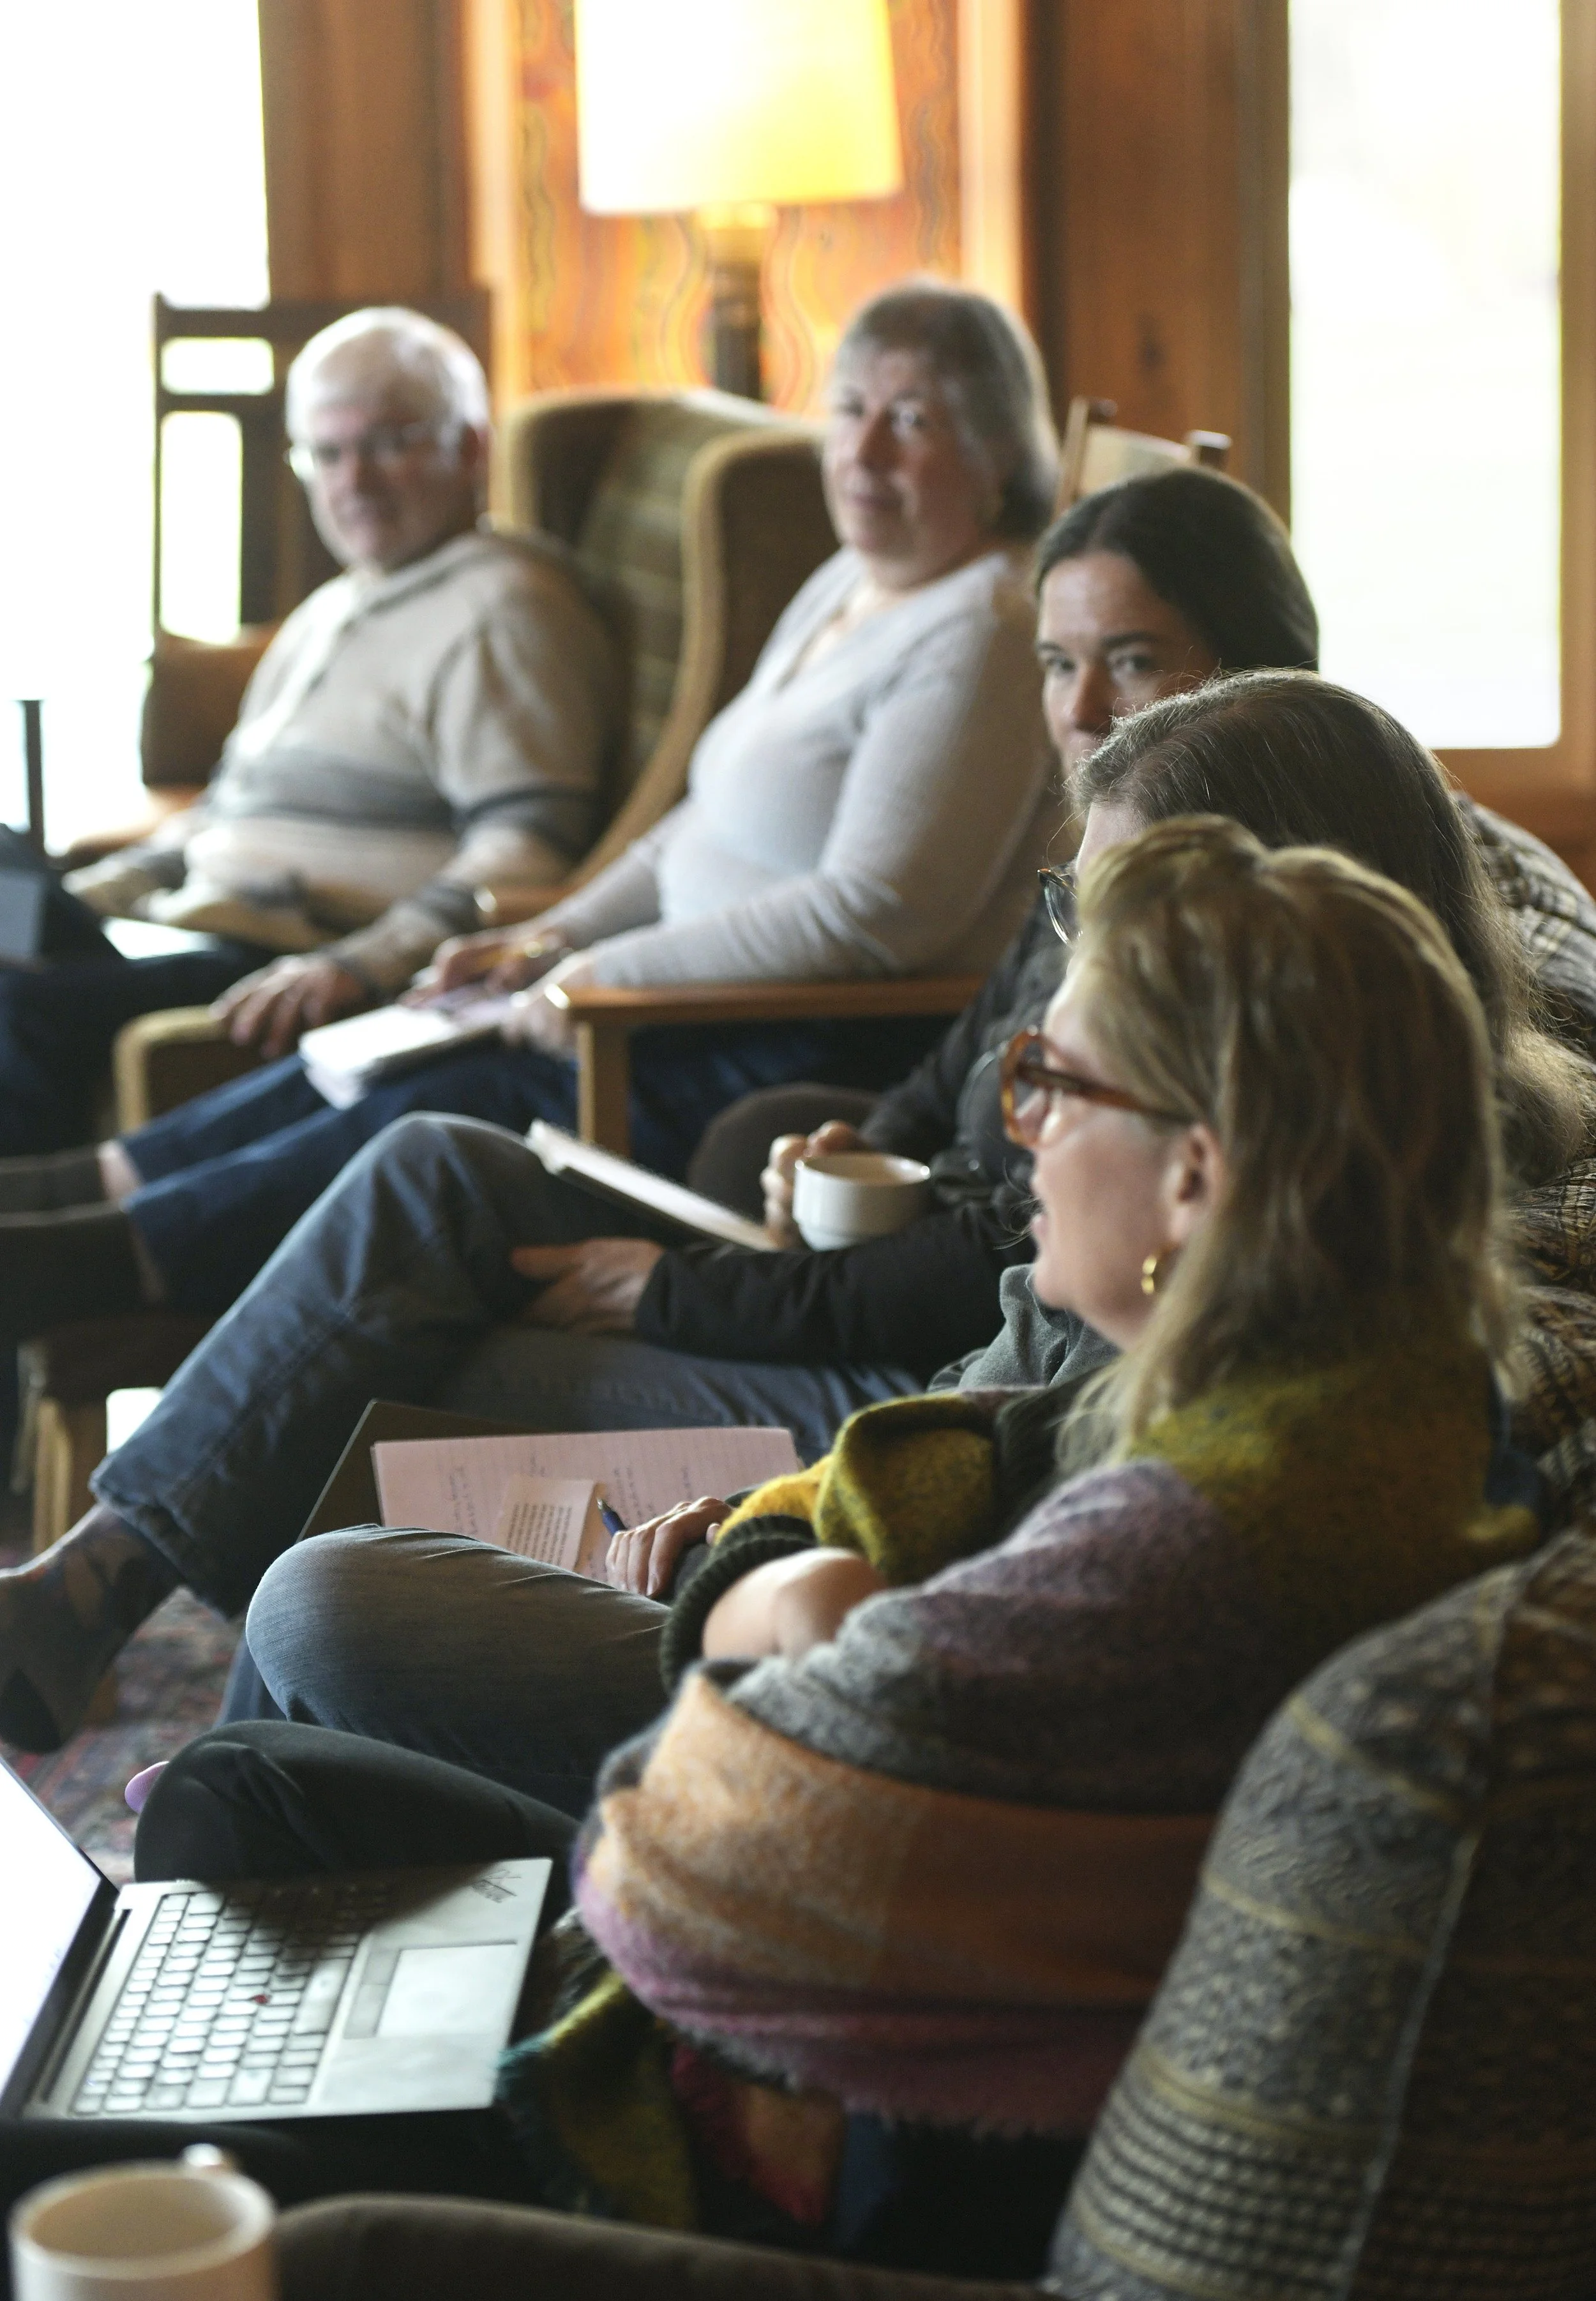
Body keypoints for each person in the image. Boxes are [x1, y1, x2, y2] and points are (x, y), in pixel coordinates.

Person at [0, 819, 1551, 2280]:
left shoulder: (1166, 1548)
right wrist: (799, 1601)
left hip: (752, 2146)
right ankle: (216, 2049)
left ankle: (220, 2173)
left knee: (68, 2120)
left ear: (1196, 1175)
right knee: (233, 1791)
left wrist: (773, 1592)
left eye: (1051, 1087)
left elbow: (675, 1867)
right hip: (830, 2038)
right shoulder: (1375, 1420)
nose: (1020, 1142)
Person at [4, 670, 1595, 1758]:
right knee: (428, 1198)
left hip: (876, 1498)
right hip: (883, 1458)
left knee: (356, 1529)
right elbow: (989, 1273)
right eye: (1056, 656)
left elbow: (1010, 1453)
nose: (1078, 697)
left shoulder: (1283, 1263)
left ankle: (218, 1747)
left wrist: (760, 1478)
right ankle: (175, 1705)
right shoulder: (1197, 1132)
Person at [0, 279, 1058, 1338]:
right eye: (848, 409)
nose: (863, 454)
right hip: (657, 998)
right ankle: (78, 1196)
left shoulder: (981, 628)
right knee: (387, 1046)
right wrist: (550, 935)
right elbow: (688, 824)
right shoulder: (848, 585)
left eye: (912, 421)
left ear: (1001, 449)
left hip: (758, 1033)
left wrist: (595, 976)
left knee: (436, 1103)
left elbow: (874, 913)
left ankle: (98, 1261)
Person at [1, 306, 619, 1156]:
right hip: (190, 918)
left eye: (389, 443)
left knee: (12, 1003)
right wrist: (94, 894)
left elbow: (528, 851)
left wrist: (359, 963)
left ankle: (38, 1262)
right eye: (327, 452)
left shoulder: (504, 612)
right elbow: (225, 816)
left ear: (470, 448)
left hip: (282, 950)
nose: (353, 480)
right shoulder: (338, 603)